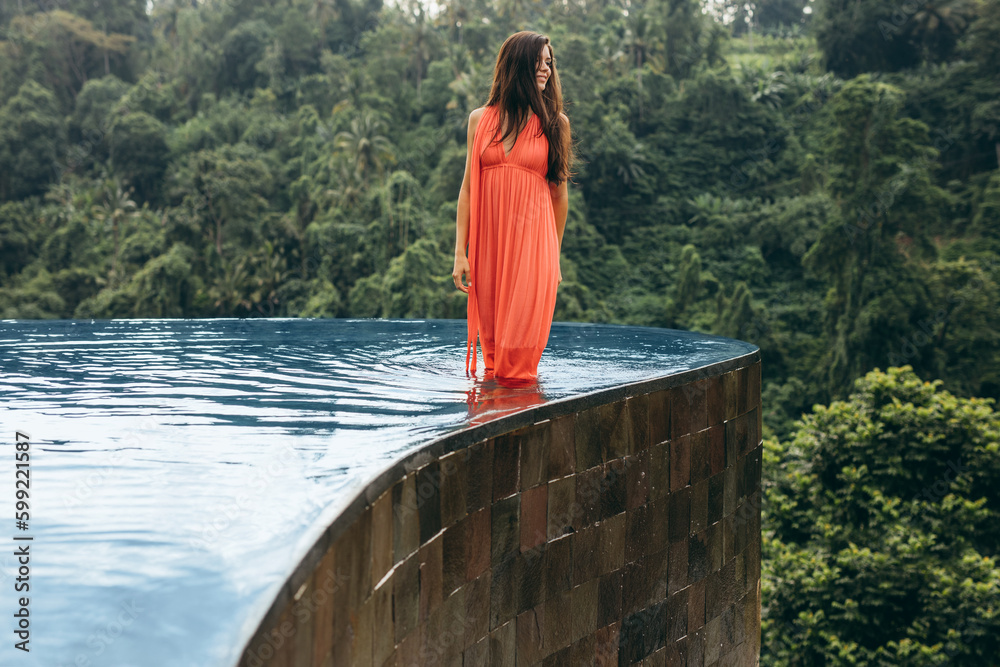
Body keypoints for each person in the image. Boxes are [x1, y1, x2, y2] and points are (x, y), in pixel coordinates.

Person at [452, 31, 575, 385]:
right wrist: (460, 253)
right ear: (517, 64)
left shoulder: (555, 124)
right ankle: (491, 432)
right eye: (538, 62)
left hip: (533, 251)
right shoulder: (481, 120)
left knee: (518, 363)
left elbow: (560, 197)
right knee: (492, 361)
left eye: (549, 62)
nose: (546, 70)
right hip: (489, 249)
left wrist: (555, 256)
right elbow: (467, 190)